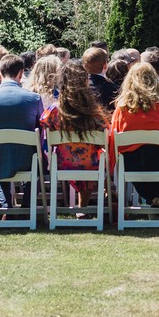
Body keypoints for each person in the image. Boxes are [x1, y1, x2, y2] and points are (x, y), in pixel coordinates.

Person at [0, 54, 43, 207]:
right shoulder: (34, 99)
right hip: (27, 160)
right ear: (21, 73)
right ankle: (27, 207)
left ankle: (6, 205)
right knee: (39, 160)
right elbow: (40, 131)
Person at [39, 61, 108, 211]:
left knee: (70, 154)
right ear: (85, 82)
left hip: (63, 163)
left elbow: (44, 126)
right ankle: (83, 207)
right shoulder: (94, 112)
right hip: (91, 164)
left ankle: (78, 207)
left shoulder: (55, 110)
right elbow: (105, 132)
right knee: (93, 156)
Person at [109, 61, 159, 204]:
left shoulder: (121, 109)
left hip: (131, 164)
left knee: (132, 163)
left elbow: (114, 139)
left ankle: (154, 201)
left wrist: (110, 167)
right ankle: (157, 200)